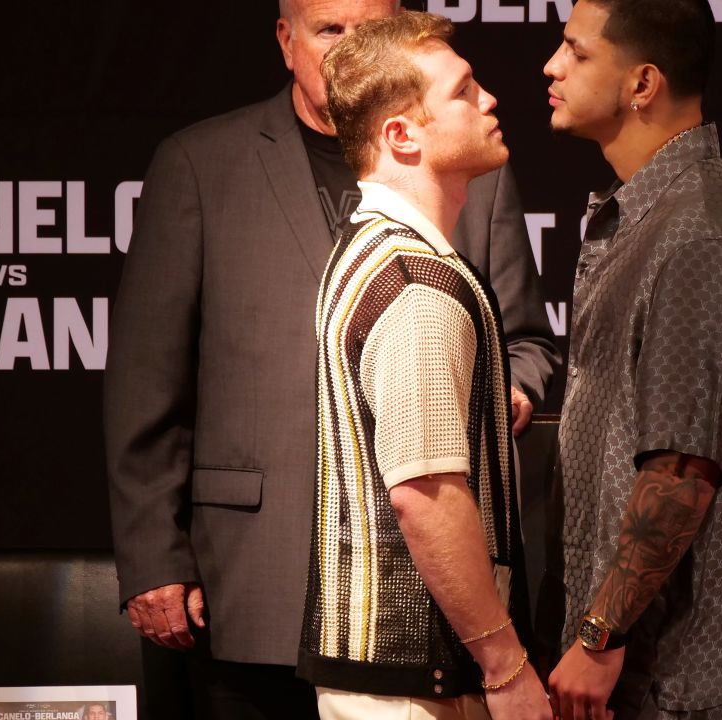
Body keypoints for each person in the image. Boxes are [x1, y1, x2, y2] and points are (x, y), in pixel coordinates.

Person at [103, 0, 558, 716]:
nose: (352, 51)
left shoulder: (466, 177)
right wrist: (153, 554)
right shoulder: (202, 165)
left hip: (413, 603)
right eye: (331, 31)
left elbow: (523, 342)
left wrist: (494, 395)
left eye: (372, 32)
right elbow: (145, 378)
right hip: (256, 573)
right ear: (286, 41)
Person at [297, 11, 552, 720]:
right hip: (421, 691)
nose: (490, 100)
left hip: (400, 683)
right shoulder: (413, 283)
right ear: (401, 135)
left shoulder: (372, 249)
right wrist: (505, 669)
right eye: (464, 92)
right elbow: (424, 495)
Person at [541, 1, 722, 719]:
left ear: (641, 83)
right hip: (642, 671)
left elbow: (683, 471)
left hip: (675, 684)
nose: (552, 67)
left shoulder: (698, 232)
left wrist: (598, 635)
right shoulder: (655, 213)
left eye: (576, 51)